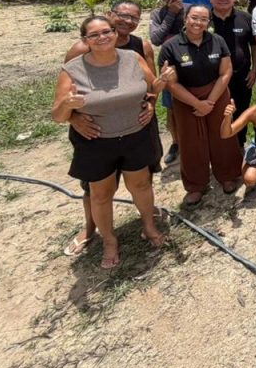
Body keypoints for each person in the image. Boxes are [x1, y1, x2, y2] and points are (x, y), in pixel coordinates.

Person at [52, 16, 174, 268]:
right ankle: (109, 240)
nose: (102, 38)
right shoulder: (73, 69)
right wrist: (68, 107)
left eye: (106, 32)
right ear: (85, 40)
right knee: (100, 194)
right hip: (97, 140)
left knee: (141, 185)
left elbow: (152, 87)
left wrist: (160, 87)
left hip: (134, 134)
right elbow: (57, 115)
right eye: (94, 35)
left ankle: (149, 227)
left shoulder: (132, 58)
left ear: (114, 33)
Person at [158, 4, 243, 206]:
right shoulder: (171, 46)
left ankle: (228, 175)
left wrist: (210, 101)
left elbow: (226, 72)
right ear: (186, 18)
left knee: (223, 136)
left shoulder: (217, 41)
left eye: (203, 19)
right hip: (186, 98)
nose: (198, 23)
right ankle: (196, 185)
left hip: (217, 93)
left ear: (208, 22)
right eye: (194, 18)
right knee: (191, 143)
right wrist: (197, 103)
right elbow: (171, 82)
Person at [210, 0, 256, 147]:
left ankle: (239, 144)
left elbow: (254, 45)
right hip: (213, 79)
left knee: (240, 111)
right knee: (217, 112)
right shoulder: (205, 19)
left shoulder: (245, 18)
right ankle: (220, 147)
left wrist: (255, 70)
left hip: (242, 76)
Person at [149, 0, 185, 165]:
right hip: (169, 65)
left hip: (190, 63)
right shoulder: (158, 14)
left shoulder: (190, 10)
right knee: (171, 107)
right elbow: (155, 39)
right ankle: (176, 142)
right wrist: (171, 15)